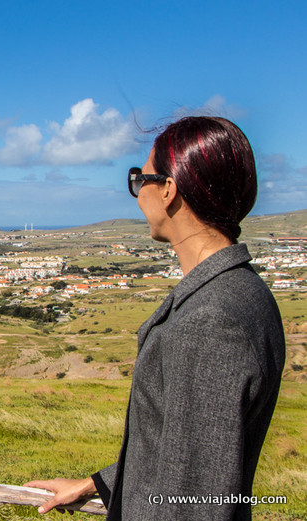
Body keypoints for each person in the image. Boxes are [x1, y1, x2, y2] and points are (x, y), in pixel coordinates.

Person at [25, 116, 285, 520]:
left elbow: (195, 500)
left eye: (139, 178)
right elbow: (191, 452)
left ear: (168, 189)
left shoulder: (211, 321)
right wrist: (99, 483)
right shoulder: (245, 290)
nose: (137, 192)